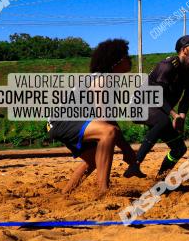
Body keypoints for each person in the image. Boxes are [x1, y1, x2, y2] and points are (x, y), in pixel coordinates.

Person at [48, 38, 145, 197]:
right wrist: (127, 151)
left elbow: (109, 119)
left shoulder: (105, 79)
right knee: (109, 132)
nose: (130, 59)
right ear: (117, 61)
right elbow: (106, 121)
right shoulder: (103, 80)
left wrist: (127, 151)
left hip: (58, 122)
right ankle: (103, 191)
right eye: (127, 56)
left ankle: (65, 194)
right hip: (61, 121)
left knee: (94, 160)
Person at [135, 35, 189, 177]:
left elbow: (185, 100)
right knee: (162, 121)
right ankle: (135, 163)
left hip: (160, 110)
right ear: (184, 50)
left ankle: (160, 178)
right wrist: (173, 114)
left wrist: (181, 117)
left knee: (179, 149)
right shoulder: (167, 66)